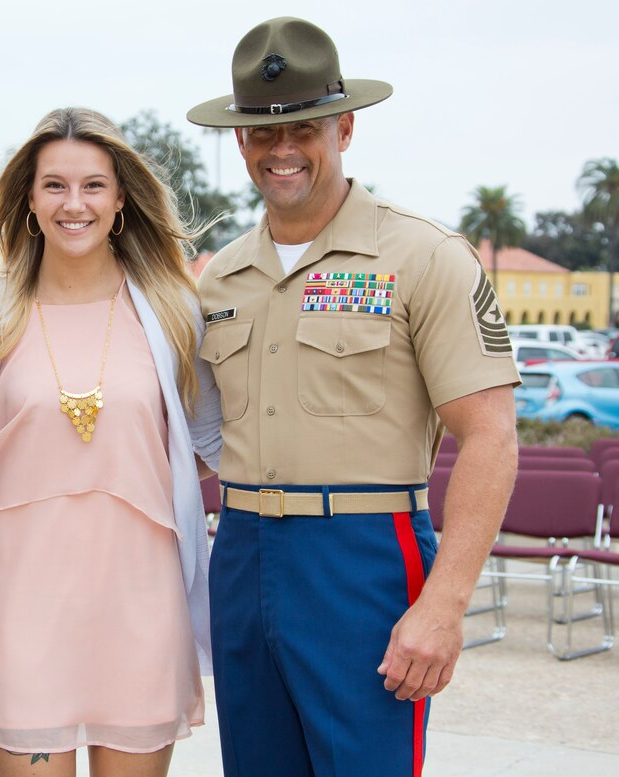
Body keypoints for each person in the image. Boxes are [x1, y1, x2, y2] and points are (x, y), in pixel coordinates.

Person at [186, 17, 520, 777]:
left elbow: (492, 436)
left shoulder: (424, 257)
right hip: (242, 555)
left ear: (344, 128)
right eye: (260, 132)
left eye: (302, 127)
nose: (281, 150)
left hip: (362, 561)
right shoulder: (223, 278)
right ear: (240, 142)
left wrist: (444, 604)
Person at [0, 107, 222, 777]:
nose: (75, 204)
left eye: (94, 185)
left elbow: (210, 440)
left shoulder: (172, 311)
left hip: (140, 603)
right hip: (18, 604)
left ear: (122, 197)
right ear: (29, 200)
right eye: (55, 186)